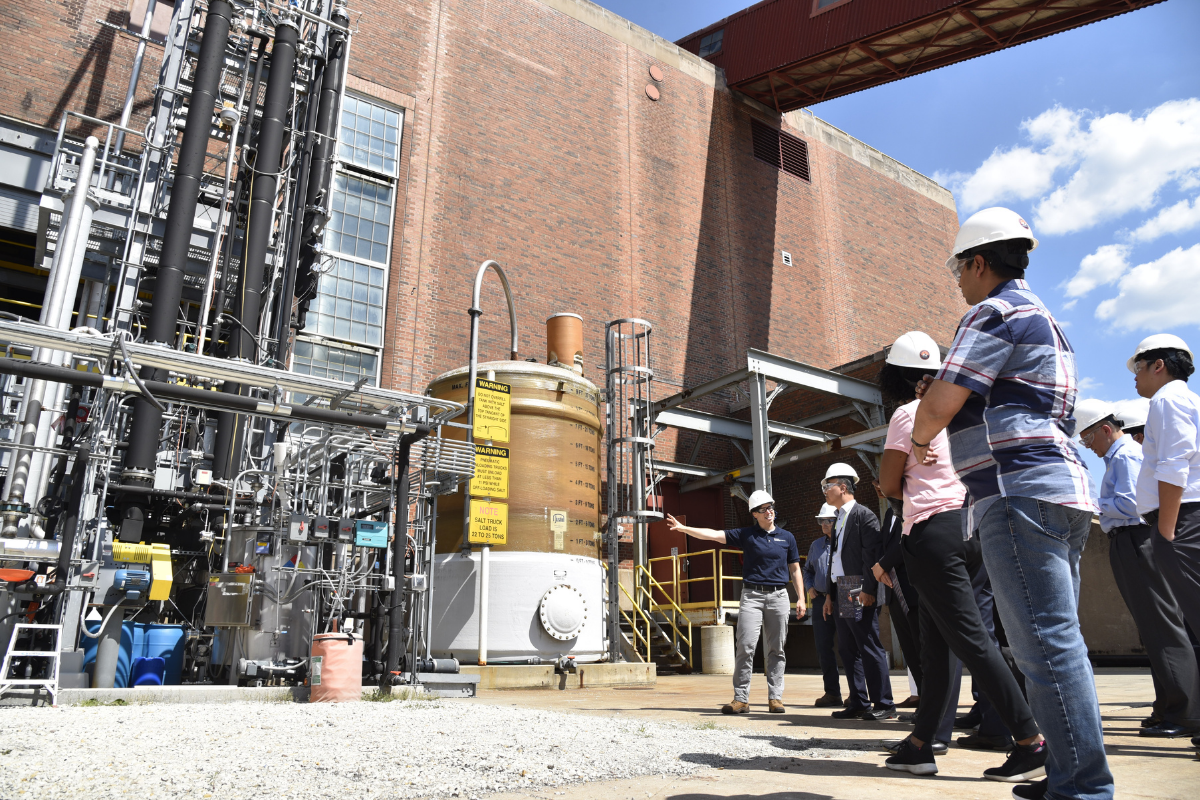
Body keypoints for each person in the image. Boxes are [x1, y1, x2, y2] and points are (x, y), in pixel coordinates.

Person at [910, 207, 1112, 800]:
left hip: (1017, 493)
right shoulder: (1043, 319)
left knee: (1043, 645)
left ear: (978, 262)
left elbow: (943, 404)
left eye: (958, 269)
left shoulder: (991, 311)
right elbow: (1017, 400)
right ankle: (1070, 774)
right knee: (1056, 642)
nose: (957, 281)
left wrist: (923, 437)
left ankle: (1082, 787)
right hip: (1059, 492)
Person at [877, 330, 1046, 782]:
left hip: (933, 535)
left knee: (973, 640)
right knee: (936, 646)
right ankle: (921, 743)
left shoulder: (908, 414)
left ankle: (1031, 741)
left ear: (905, 380)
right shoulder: (970, 414)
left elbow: (892, 486)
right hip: (973, 529)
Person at [1075, 396, 1200, 738]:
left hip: (1137, 539)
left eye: (1088, 439)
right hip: (1129, 541)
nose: (1088, 447)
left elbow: (1133, 504)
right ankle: (1167, 707)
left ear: (1105, 429)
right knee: (1151, 627)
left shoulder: (1126, 455)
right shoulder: (1120, 457)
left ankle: (1184, 712)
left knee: (1161, 626)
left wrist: (1093, 503)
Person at [666, 490, 805, 714]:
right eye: (763, 509)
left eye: (771, 507)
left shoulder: (787, 537)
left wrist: (801, 598)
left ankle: (775, 698)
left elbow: (795, 569)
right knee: (745, 647)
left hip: (779, 596)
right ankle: (741, 699)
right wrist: (684, 529)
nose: (769, 511)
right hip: (751, 596)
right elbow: (713, 535)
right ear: (755, 514)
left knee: (776, 649)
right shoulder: (746, 535)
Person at [1129, 334, 1200, 751]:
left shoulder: (1168, 400)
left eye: (1139, 367)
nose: (1135, 378)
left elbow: (1175, 463)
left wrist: (1167, 530)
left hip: (1184, 519)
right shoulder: (1183, 399)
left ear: (1159, 366)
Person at [821, 463, 895, 720]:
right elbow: (835, 558)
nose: (824, 491)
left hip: (856, 587)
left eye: (827, 486)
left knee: (867, 644)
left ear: (843, 487)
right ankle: (858, 701)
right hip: (842, 588)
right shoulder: (839, 516)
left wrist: (867, 589)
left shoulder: (864, 515)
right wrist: (830, 595)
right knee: (848, 648)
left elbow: (871, 556)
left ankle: (884, 703)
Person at [804, 503, 845, 707]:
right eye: (821, 520)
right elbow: (808, 570)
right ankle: (832, 694)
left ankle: (859, 696)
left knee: (849, 646)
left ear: (838, 521)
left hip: (844, 597)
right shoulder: (816, 546)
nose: (824, 524)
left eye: (828, 520)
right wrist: (810, 587)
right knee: (823, 648)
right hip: (820, 601)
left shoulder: (845, 542)